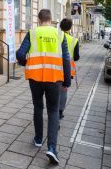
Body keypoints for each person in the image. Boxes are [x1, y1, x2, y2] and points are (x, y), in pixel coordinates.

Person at [16, 9, 71, 165]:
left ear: (39, 19)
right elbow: (66, 60)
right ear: (51, 19)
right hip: (54, 79)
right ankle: (52, 148)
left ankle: (38, 139)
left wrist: (28, 63)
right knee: (53, 111)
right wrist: (67, 81)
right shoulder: (60, 35)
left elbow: (20, 54)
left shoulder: (32, 33)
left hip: (35, 78)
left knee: (38, 107)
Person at [59, 18, 80, 119]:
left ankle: (54, 108)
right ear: (70, 28)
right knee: (64, 89)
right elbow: (76, 57)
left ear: (60, 26)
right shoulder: (74, 40)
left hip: (55, 66)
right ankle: (60, 111)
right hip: (68, 69)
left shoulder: (57, 37)